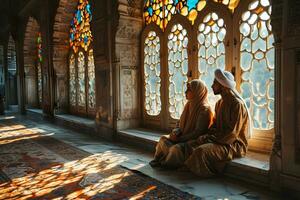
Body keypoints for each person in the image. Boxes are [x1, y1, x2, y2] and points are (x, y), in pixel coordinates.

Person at [183, 69, 251, 177]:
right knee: (190, 144)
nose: (212, 86)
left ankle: (205, 175)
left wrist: (211, 139)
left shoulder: (237, 105)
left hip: (232, 144)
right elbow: (215, 126)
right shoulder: (219, 103)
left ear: (223, 85)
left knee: (200, 151)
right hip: (219, 140)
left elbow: (232, 134)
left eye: (215, 83)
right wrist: (206, 136)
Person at [149, 79, 213, 168]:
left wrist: (180, 139)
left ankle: (166, 164)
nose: (185, 92)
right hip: (182, 136)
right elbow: (180, 122)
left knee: (176, 149)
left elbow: (198, 132)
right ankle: (160, 159)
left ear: (197, 92)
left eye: (189, 90)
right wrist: (176, 131)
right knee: (163, 139)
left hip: (194, 141)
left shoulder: (205, 109)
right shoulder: (189, 105)